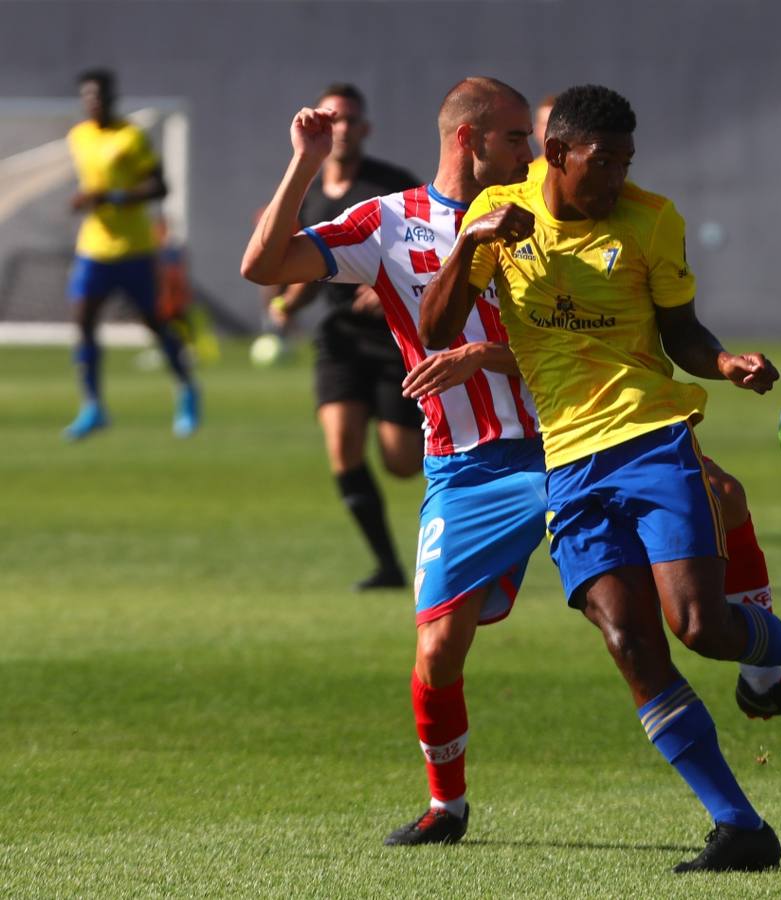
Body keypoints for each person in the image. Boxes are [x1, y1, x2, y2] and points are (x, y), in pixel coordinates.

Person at [425, 83, 781, 873]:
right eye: (601, 162)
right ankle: (741, 827)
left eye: (625, 162)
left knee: (701, 628)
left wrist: (724, 363)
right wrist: (473, 245)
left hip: (650, 440)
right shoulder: (499, 216)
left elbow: (681, 331)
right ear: (556, 155)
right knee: (631, 643)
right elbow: (437, 329)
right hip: (567, 464)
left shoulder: (651, 220)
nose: (615, 178)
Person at [243, 77, 544, 848]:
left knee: (652, 607)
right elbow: (264, 266)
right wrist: (303, 164)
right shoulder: (390, 223)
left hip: (566, 445)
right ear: (468, 140)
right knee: (439, 648)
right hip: (464, 467)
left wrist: (483, 358)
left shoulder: (546, 214)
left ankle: (770, 665)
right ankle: (448, 807)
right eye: (516, 138)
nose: (531, 151)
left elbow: (589, 343)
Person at [265, 83, 424, 591]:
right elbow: (311, 268)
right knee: (342, 445)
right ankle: (388, 566)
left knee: (402, 463)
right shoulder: (309, 195)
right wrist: (289, 302)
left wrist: (391, 286)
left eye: (350, 120)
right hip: (338, 338)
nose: (341, 128)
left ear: (365, 129)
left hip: (392, 340)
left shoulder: (392, 186)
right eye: (332, 118)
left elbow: (433, 247)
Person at [64, 68, 199, 440]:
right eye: (88, 96)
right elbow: (92, 185)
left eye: (100, 96)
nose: (94, 102)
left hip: (135, 248)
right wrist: (85, 200)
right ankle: (92, 406)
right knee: (83, 322)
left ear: (112, 98)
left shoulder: (130, 136)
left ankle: (187, 390)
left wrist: (113, 197)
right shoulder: (78, 137)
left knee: (154, 324)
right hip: (94, 247)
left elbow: (160, 186)